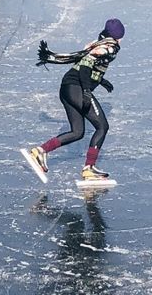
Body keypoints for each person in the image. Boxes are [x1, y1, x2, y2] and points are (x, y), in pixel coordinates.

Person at [22, 19, 126, 183]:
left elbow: (85, 64)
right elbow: (85, 66)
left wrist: (100, 80)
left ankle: (40, 151)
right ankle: (89, 169)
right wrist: (86, 90)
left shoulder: (96, 44)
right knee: (102, 127)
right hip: (77, 88)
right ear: (118, 36)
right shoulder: (109, 47)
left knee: (77, 132)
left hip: (66, 88)